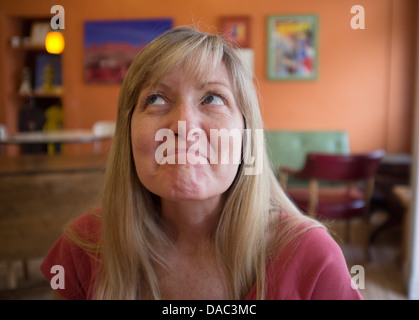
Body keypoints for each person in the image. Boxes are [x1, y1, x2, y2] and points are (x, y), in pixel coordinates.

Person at [40, 26, 363, 300]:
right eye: (155, 99)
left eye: (212, 98)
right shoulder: (82, 247)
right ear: (128, 132)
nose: (183, 125)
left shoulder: (312, 257)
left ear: (246, 135)